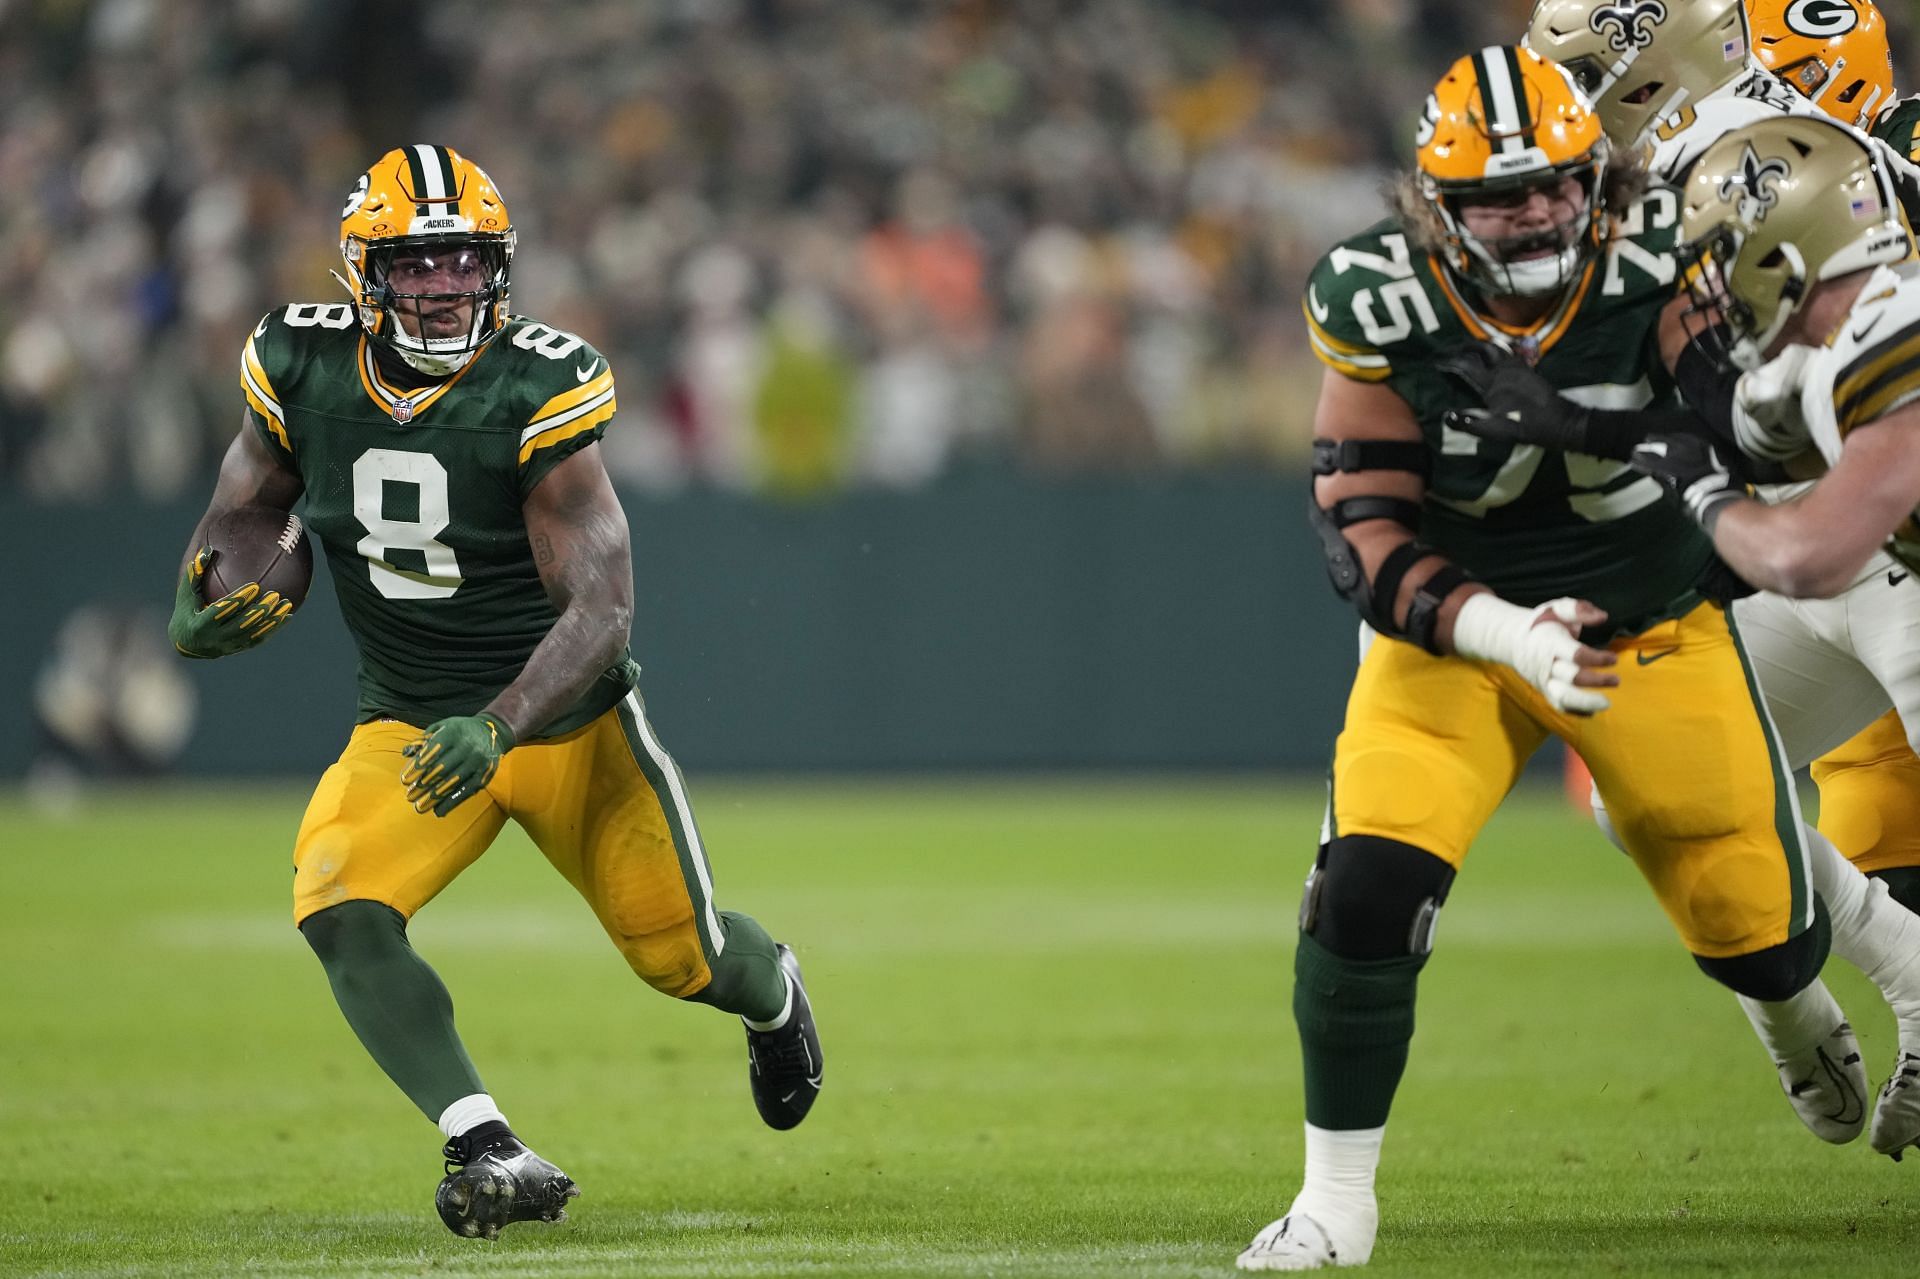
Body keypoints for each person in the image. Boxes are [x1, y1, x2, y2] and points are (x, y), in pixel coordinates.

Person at [1238, 47, 1840, 1272]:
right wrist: (1508, 630)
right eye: (1500, 197)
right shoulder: (1379, 295)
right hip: (1458, 635)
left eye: (1557, 185)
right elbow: (1361, 534)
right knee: (1363, 887)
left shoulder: (1673, 253)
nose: (1535, 214)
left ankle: (1791, 1012)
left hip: (1653, 621)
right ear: (1435, 207)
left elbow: (1733, 430)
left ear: (1597, 178)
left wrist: (1587, 426)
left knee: (1758, 929)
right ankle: (1335, 1202)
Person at [166, 145, 824, 1240]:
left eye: (464, 263)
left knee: (682, 956)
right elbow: (247, 502)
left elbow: (605, 608)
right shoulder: (296, 362)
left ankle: (778, 993)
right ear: (363, 271)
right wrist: (196, 586)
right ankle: (483, 1139)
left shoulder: (540, 381)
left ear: (497, 268)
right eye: (417, 265)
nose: (443, 287)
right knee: (338, 904)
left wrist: (501, 720)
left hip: (566, 723)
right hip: (410, 720)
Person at [1446, 0, 1920, 1159]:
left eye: (1575, 106)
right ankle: (1857, 990)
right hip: (1809, 542)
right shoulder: (1725, 164)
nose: (1560, 151)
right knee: (1641, 776)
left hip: (1890, 536)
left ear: (1635, 84)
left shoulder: (1750, 179)